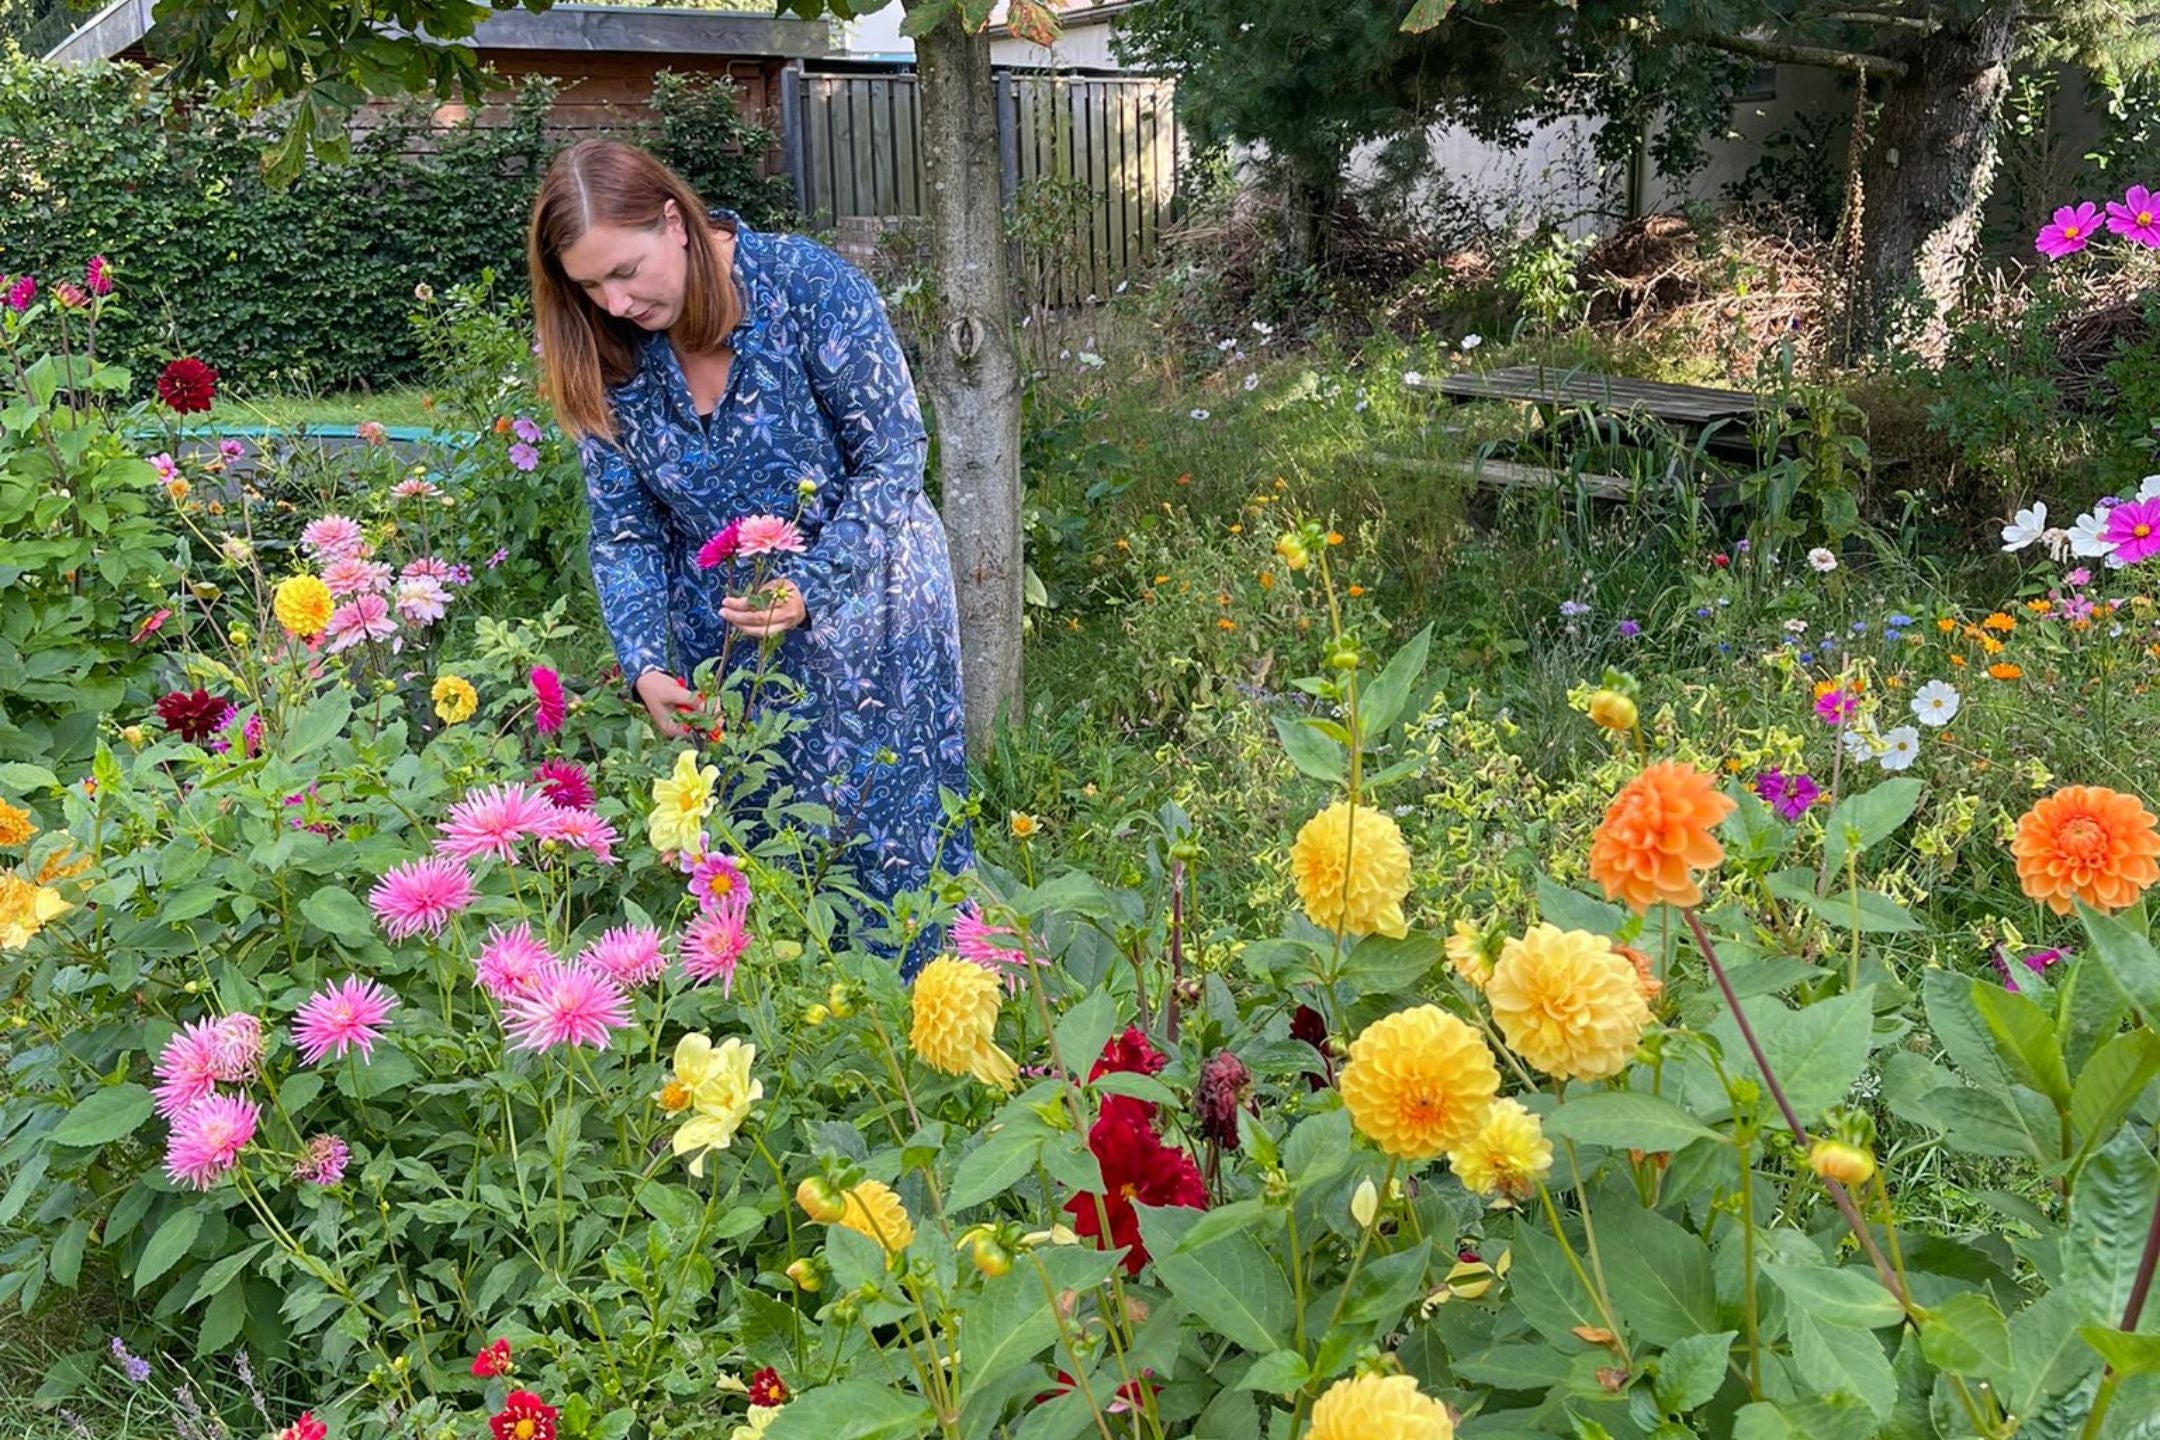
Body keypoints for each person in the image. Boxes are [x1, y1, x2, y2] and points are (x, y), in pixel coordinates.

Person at [526, 139, 972, 966]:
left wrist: (813, 581)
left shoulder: (805, 288)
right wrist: (646, 666)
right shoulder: (610, 353)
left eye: (625, 270)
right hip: (730, 658)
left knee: (890, 857)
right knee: (762, 874)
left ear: (675, 221)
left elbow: (896, 454)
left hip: (869, 624)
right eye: (588, 286)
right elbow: (625, 531)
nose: (614, 303)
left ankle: (941, 1052)